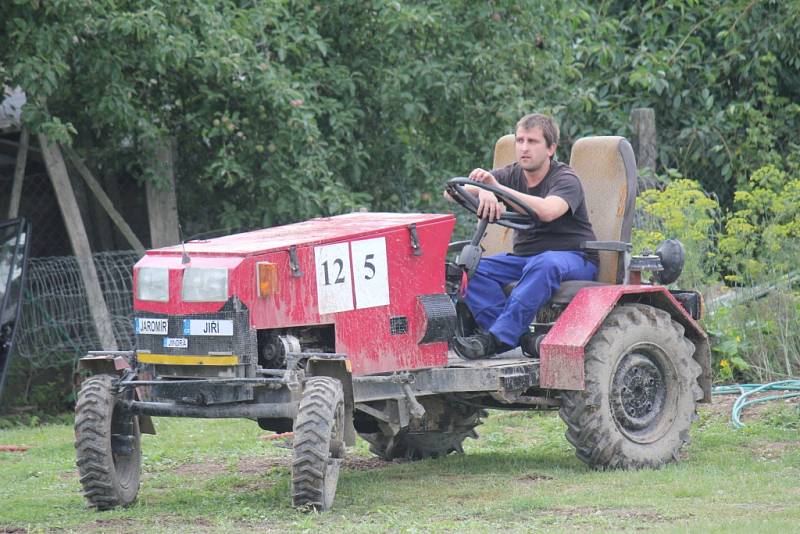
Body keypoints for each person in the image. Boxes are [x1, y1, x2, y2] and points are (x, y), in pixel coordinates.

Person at [447, 113, 598, 359]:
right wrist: (486, 192)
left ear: (551, 148)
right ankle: (517, 338)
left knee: (545, 262)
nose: (524, 148)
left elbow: (548, 211)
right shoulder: (511, 174)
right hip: (525, 261)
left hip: (574, 259)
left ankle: (496, 339)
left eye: (532, 141)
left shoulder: (565, 179)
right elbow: (453, 193)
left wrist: (495, 188)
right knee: (468, 269)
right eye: (520, 140)